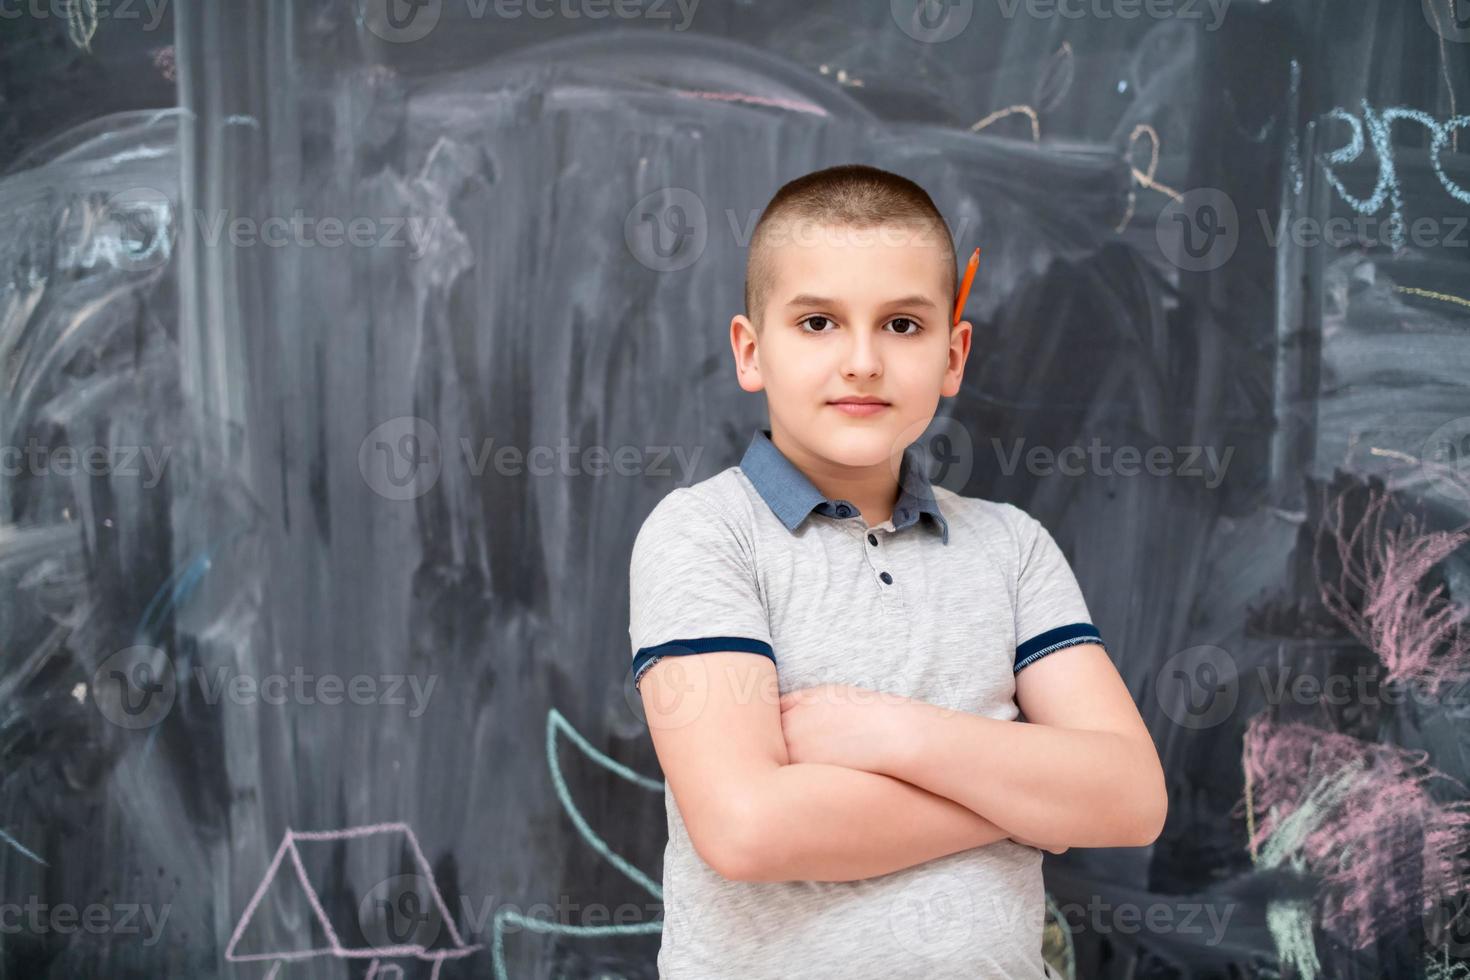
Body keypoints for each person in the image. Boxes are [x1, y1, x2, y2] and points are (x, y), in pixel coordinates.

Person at [626, 163, 1166, 979]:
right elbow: (749, 829)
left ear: (953, 357)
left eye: (903, 326)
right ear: (751, 351)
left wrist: (884, 731)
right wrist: (1022, 800)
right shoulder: (704, 534)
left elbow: (1129, 798)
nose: (863, 361)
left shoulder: (1012, 548)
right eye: (817, 322)